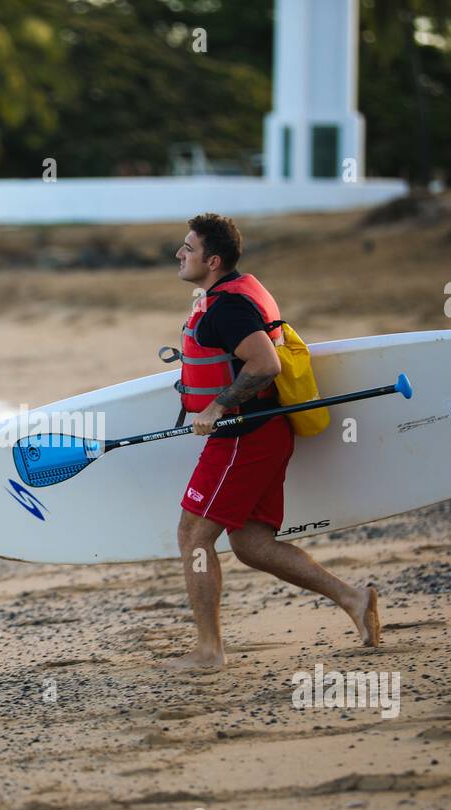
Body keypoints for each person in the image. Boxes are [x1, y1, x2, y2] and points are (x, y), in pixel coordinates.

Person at [165, 213, 381, 670]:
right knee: (251, 543)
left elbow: (265, 364)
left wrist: (217, 405)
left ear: (214, 259)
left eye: (188, 247)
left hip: (244, 435)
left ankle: (208, 651)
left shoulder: (228, 307)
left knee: (193, 536)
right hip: (263, 433)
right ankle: (353, 598)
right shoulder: (234, 292)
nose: (179, 254)